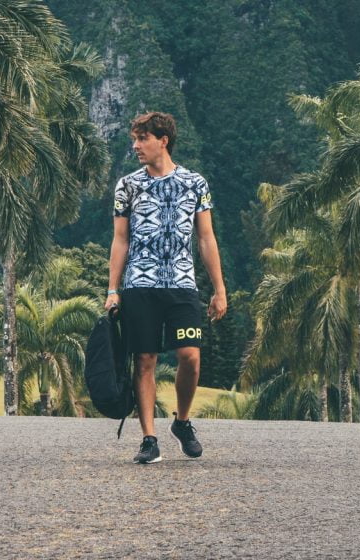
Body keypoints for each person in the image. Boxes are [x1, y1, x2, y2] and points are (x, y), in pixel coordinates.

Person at [105, 111, 227, 463]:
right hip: (139, 284)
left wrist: (219, 288)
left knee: (190, 356)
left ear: (164, 140)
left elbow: (205, 237)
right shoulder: (127, 185)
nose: (136, 146)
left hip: (182, 283)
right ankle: (148, 438)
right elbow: (120, 240)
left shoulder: (195, 183)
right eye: (135, 139)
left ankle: (182, 421)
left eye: (142, 139)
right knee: (144, 360)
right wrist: (113, 289)